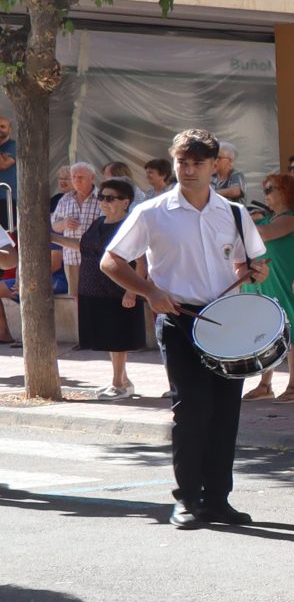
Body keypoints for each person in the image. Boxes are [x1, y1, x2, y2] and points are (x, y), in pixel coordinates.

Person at [99, 130, 268, 527]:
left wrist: (253, 272)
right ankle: (187, 499)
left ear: (215, 166)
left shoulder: (234, 213)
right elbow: (111, 261)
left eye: (197, 163)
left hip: (227, 321)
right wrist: (149, 291)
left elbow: (249, 263)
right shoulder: (152, 212)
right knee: (191, 410)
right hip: (180, 319)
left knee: (225, 413)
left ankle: (218, 499)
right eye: (182, 162)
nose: (189, 170)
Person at [242, 173, 294, 401]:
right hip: (267, 281)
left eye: (270, 189)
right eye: (265, 190)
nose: (265, 194)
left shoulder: (293, 218)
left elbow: (263, 234)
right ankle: (265, 384)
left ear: (286, 192)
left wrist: (240, 218)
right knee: (266, 332)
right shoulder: (268, 218)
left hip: (287, 281)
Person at [76, 178, 147, 399]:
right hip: (94, 288)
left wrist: (132, 291)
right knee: (108, 337)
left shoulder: (129, 226)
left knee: (118, 339)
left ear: (126, 202)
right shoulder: (98, 222)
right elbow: (85, 247)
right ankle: (123, 379)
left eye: (110, 198)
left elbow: (142, 262)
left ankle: (119, 385)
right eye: (101, 197)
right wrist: (51, 238)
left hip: (118, 290)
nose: (103, 202)